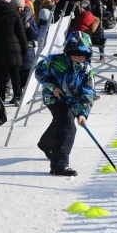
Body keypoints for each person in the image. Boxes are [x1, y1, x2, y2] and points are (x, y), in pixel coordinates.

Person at [35, 31, 95, 177]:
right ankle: (59, 165)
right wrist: (53, 87)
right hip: (54, 97)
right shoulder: (55, 61)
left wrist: (83, 113)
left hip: (72, 101)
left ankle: (46, 143)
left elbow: (88, 92)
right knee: (68, 125)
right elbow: (39, 72)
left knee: (61, 121)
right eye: (75, 53)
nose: (79, 58)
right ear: (68, 51)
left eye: (83, 55)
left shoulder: (87, 70)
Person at [0, 0, 27, 106]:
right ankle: (17, 95)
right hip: (14, 46)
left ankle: (1, 96)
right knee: (15, 73)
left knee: (1, 73)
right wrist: (24, 47)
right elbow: (20, 32)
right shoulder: (14, 12)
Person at [12, 0, 39, 92]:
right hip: (16, 48)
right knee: (17, 73)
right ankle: (18, 93)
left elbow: (36, 35)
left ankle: (26, 93)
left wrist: (29, 27)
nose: (20, 9)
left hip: (28, 49)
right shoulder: (12, 18)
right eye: (17, 7)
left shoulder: (29, 18)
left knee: (27, 73)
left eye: (21, 7)